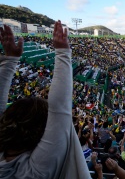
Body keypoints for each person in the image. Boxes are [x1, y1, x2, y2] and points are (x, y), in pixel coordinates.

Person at [0, 22, 90, 178]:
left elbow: (59, 109)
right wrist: (62, 52)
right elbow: (59, 108)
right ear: (42, 130)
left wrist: (9, 61)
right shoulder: (34, 172)